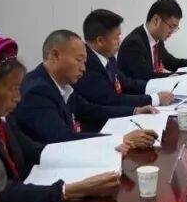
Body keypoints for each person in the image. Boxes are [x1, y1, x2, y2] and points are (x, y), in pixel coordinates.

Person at [0, 30, 124, 202]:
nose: (18, 98)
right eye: (12, 89)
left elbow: (31, 149)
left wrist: (95, 158)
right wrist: (68, 190)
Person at [14, 29, 159, 144]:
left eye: (84, 62)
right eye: (79, 60)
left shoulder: (62, 84)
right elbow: (63, 139)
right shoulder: (37, 91)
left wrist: (135, 110)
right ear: (55, 56)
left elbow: (90, 110)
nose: (83, 68)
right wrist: (120, 139)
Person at [74, 9, 174, 109]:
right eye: (116, 37)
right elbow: (111, 100)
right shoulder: (87, 64)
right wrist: (154, 99)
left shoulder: (108, 57)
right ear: (100, 41)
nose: (120, 41)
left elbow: (127, 83)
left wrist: (162, 84)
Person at [118, 0, 187, 82]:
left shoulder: (157, 40)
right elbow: (148, 77)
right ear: (156, 20)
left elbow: (173, 63)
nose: (172, 32)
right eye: (171, 26)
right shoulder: (133, 44)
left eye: (175, 28)